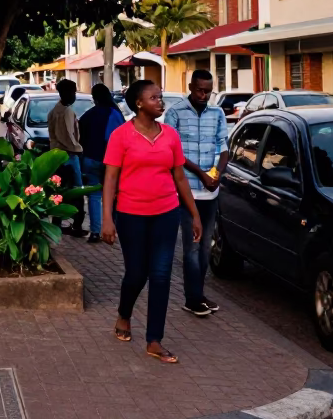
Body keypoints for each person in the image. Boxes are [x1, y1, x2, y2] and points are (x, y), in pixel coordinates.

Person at [101, 80, 202, 364]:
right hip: (131, 215)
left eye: (160, 96)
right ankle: (124, 314)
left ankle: (154, 340)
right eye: (154, 97)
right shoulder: (121, 136)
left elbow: (180, 177)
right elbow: (110, 179)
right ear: (139, 104)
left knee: (160, 276)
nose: (161, 101)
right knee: (137, 274)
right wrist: (107, 218)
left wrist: (194, 214)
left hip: (166, 214)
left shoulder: (170, 135)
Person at [164, 69, 230, 316]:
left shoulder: (217, 113)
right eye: (199, 90)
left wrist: (216, 174)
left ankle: (199, 295)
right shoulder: (175, 112)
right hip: (187, 190)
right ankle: (192, 299)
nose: (203, 95)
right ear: (191, 87)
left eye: (208, 91)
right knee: (191, 246)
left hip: (210, 192)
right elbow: (173, 153)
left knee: (205, 248)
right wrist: (201, 174)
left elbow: (223, 147)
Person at [78, 82, 124, 243]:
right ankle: (113, 227)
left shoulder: (88, 115)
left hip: (90, 159)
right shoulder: (114, 114)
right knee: (112, 195)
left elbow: (80, 137)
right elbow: (117, 140)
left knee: (94, 196)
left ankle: (96, 231)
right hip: (110, 161)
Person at [47, 79, 84, 231]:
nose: (74, 95)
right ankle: (78, 224)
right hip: (69, 155)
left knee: (59, 191)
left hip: (56, 156)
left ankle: (57, 222)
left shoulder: (54, 111)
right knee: (77, 190)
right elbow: (69, 136)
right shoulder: (66, 112)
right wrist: (79, 149)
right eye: (74, 92)